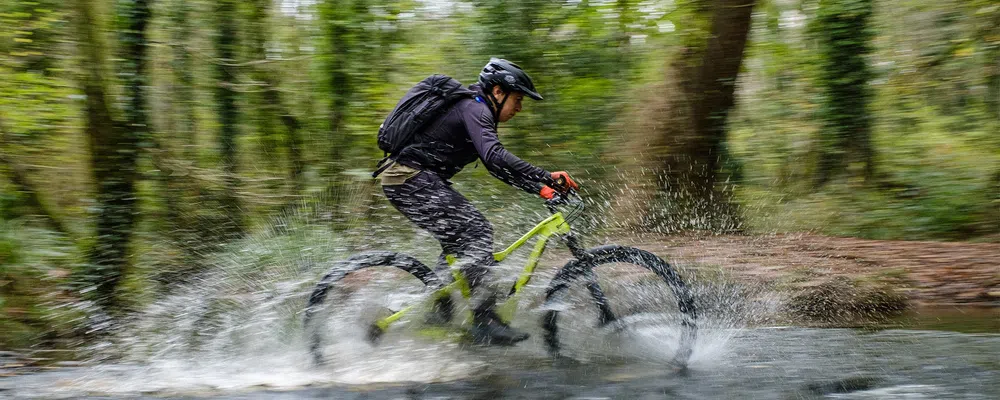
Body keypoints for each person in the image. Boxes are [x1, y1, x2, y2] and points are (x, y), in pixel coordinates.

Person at [378, 58, 578, 345]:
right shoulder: (475, 108)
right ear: (498, 92)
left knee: (459, 244)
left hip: (408, 180)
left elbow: (494, 166)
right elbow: (494, 154)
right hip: (410, 179)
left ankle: (438, 312)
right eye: (518, 99)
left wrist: (541, 188)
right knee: (477, 231)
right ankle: (484, 321)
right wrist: (547, 175)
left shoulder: (474, 110)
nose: (519, 108)